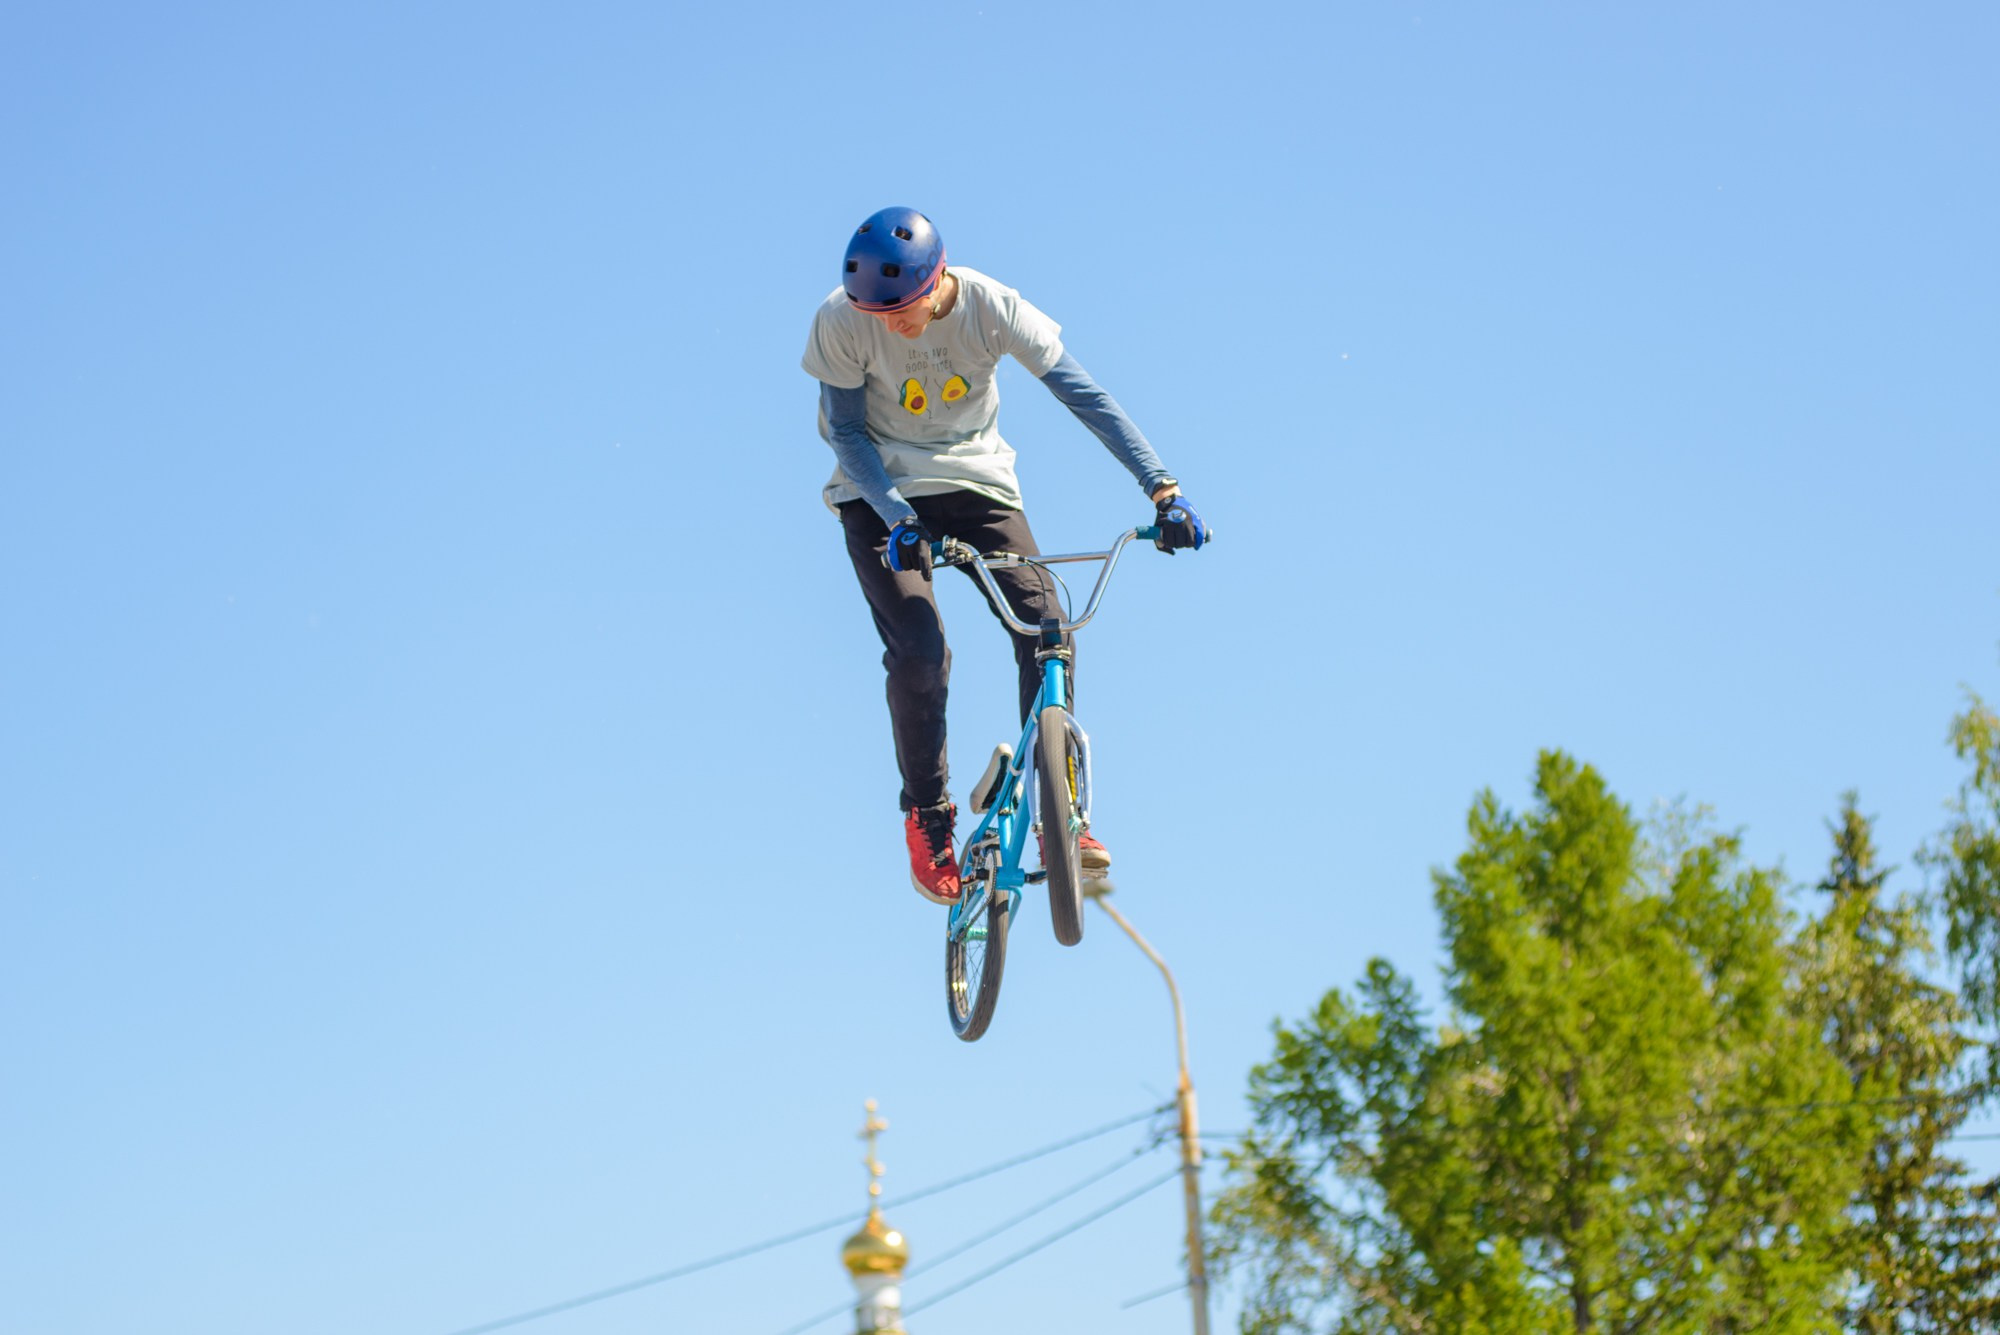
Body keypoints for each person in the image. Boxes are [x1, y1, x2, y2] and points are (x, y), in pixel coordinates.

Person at [803, 206, 1207, 904]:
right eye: (876, 311)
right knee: (922, 651)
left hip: (978, 486)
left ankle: (1063, 815)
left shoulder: (992, 307)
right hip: (880, 497)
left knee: (1049, 625)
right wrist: (898, 515)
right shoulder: (842, 320)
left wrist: (1161, 487)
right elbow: (847, 436)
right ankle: (929, 815)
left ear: (938, 277)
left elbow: (1084, 395)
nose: (887, 324)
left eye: (901, 309)